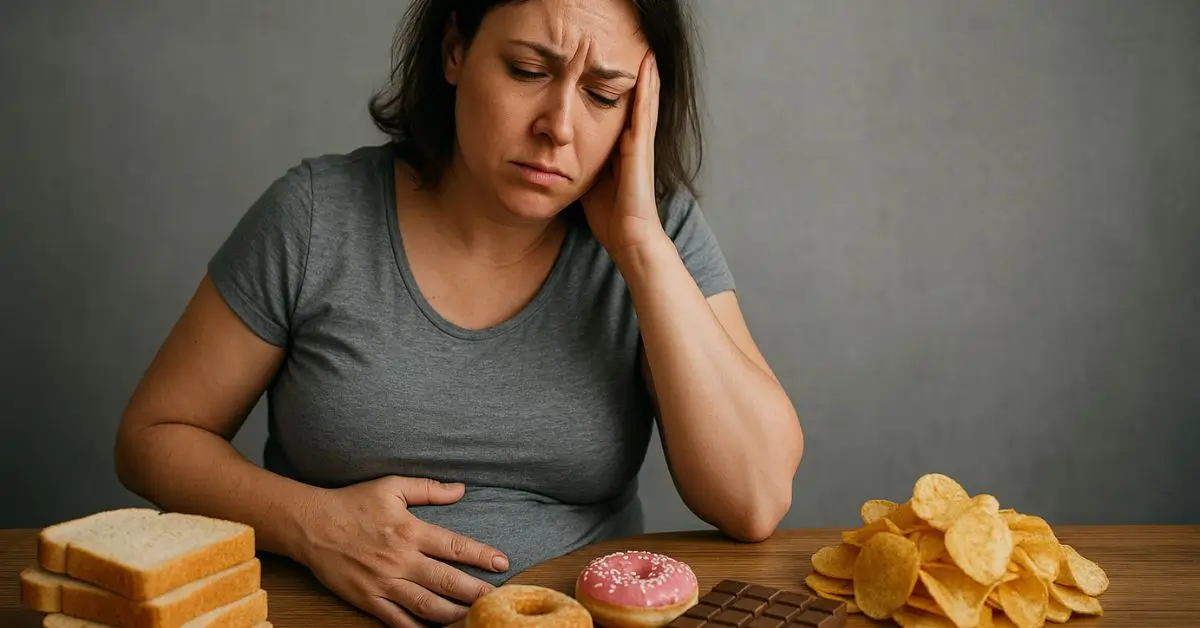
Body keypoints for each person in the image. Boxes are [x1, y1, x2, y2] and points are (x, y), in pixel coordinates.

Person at [113, 1, 804, 627]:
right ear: (454, 51)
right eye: (529, 69)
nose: (558, 127)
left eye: (603, 94)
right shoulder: (316, 216)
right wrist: (312, 525)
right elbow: (152, 437)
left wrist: (641, 248)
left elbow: (752, 499)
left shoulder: (659, 235)